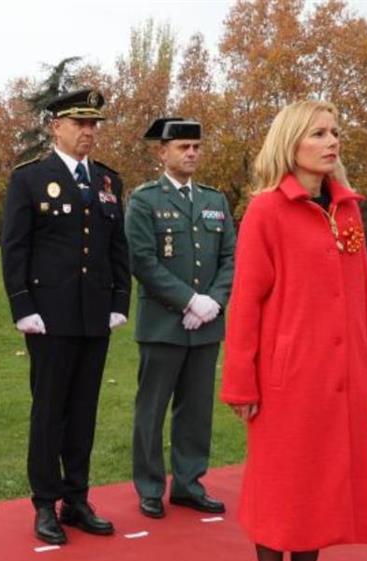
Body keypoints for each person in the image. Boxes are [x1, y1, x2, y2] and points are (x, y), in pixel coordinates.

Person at [220, 100, 367, 561]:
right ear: (292, 143)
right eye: (319, 132)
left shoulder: (347, 211)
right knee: (280, 493)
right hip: (286, 381)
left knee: (321, 491)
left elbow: (363, 293)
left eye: (336, 131)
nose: (332, 140)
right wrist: (241, 383)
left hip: (339, 380)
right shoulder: (267, 211)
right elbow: (246, 304)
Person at [0, 88, 131, 545]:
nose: (88, 132)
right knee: (49, 411)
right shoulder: (31, 178)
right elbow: (16, 248)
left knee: (83, 412)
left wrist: (119, 301)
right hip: (49, 317)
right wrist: (23, 307)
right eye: (79, 123)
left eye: (93, 124)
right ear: (56, 126)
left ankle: (77, 498)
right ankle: (44, 503)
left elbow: (118, 247)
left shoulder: (108, 181)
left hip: (94, 314)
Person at [125, 118, 236, 519]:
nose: (191, 153)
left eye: (196, 147)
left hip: (206, 326)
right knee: (151, 410)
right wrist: (189, 301)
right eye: (183, 147)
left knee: (196, 411)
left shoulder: (214, 200)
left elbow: (230, 259)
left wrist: (213, 304)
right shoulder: (144, 200)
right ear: (163, 152)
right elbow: (142, 261)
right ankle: (151, 487)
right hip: (163, 325)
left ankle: (189, 484)